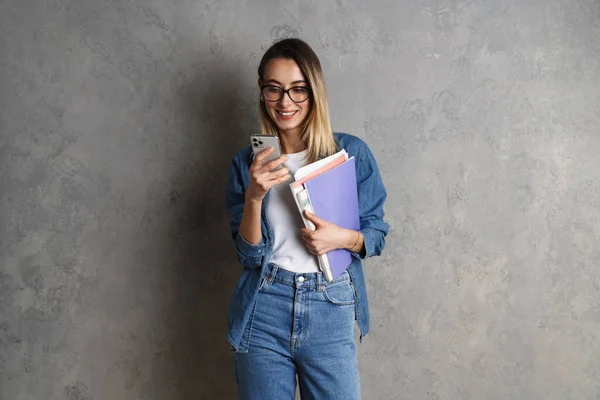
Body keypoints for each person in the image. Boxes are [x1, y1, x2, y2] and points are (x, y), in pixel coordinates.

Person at [225, 38, 389, 400]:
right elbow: (249, 256)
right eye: (275, 89)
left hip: (330, 303)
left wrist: (341, 239)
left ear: (314, 92)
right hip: (265, 303)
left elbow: (375, 234)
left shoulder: (349, 153)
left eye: (298, 90)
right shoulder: (246, 164)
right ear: (262, 91)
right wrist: (254, 195)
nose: (286, 102)